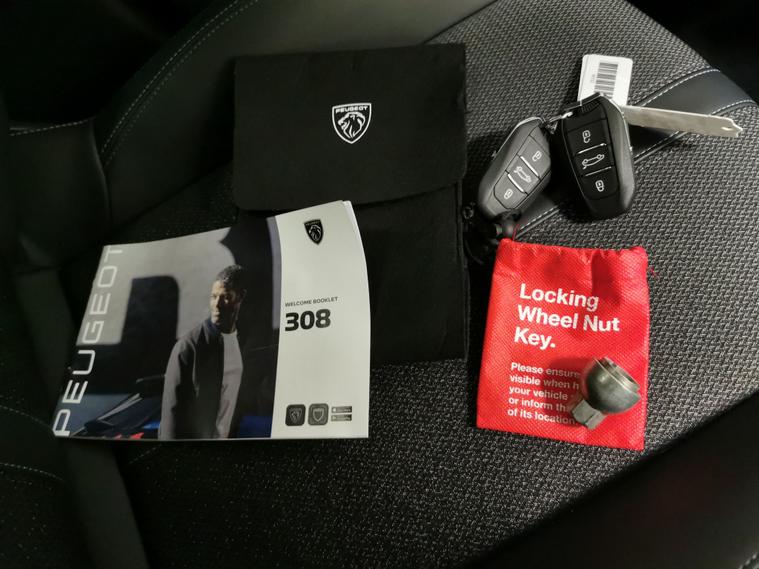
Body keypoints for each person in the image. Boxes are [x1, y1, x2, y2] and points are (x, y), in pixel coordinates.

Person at [159, 265, 247, 439]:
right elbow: (171, 415)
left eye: (226, 297)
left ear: (241, 297)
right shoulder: (188, 347)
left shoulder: (244, 342)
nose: (217, 305)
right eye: (213, 297)